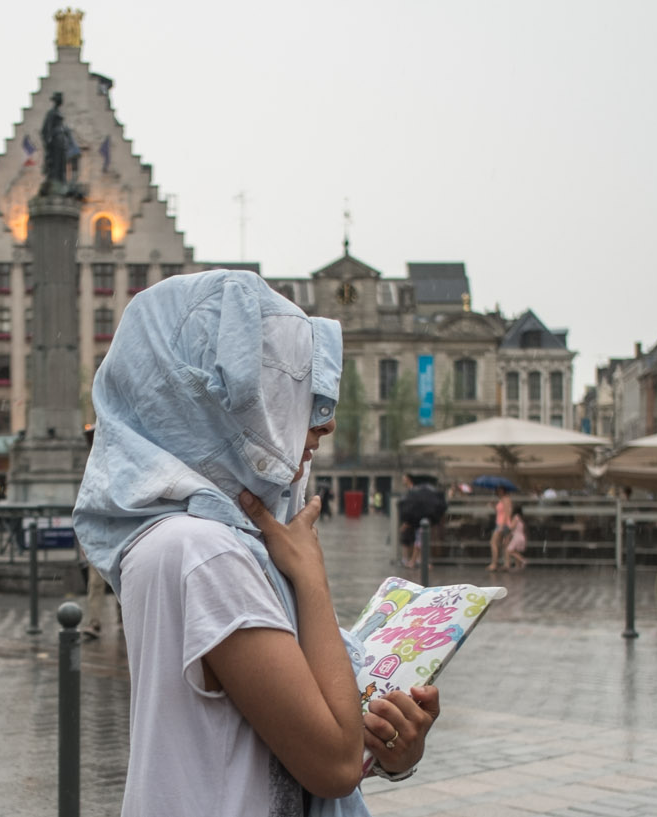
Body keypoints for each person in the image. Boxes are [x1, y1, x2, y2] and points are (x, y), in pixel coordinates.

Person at [74, 270, 436, 815]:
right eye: (288, 386)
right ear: (214, 400)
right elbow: (333, 765)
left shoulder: (176, 537)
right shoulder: (203, 552)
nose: (324, 422)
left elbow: (277, 738)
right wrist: (311, 580)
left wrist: (391, 748)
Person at [396, 475, 446, 568]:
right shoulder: (424, 495)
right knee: (419, 541)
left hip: (419, 522)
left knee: (419, 542)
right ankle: (417, 561)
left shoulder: (417, 495)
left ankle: (416, 561)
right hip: (419, 522)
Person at [487, 488, 515, 572]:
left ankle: (494, 563)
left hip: (502, 524)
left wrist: (502, 526)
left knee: (493, 542)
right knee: (504, 544)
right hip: (502, 523)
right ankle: (506, 564)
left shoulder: (506, 499)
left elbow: (507, 513)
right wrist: (493, 505)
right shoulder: (502, 499)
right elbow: (500, 512)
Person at [500, 505, 528, 571]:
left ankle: (523, 560)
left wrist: (505, 527)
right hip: (521, 536)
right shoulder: (521, 518)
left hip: (517, 537)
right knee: (516, 551)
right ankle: (518, 566)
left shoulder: (516, 517)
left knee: (509, 550)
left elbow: (511, 527)